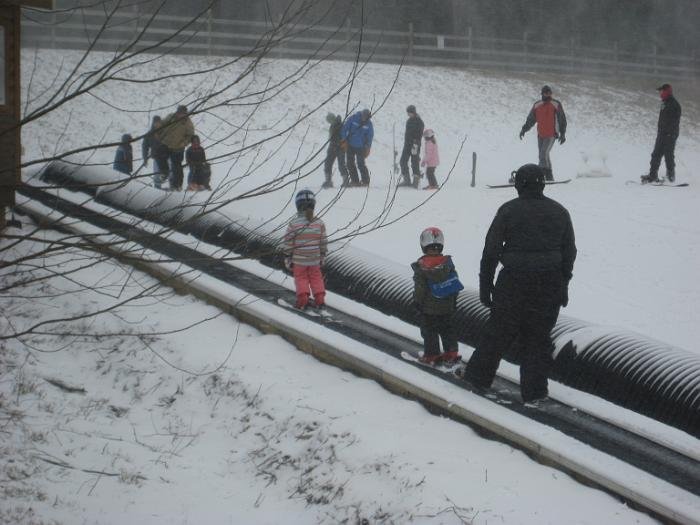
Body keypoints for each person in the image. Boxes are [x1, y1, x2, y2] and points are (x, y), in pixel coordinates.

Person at [462, 164, 576, 404]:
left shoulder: (508, 211)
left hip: (513, 283)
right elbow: (569, 253)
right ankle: (534, 393)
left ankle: (477, 379)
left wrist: (486, 286)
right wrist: (563, 284)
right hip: (549, 285)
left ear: (519, 185)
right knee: (537, 340)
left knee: (497, 335)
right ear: (542, 184)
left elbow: (491, 251)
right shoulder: (560, 212)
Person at [411, 227, 463, 365]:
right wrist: (453, 302)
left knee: (429, 332)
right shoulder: (448, 264)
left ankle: (432, 355)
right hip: (447, 307)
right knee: (447, 330)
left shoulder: (422, 267)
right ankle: (451, 353)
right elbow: (455, 283)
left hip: (429, 309)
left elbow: (420, 287)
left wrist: (417, 301)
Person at [284, 189, 328, 310]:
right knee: (316, 278)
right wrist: (322, 255)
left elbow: (288, 241)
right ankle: (320, 299)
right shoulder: (319, 223)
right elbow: (323, 241)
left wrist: (288, 256)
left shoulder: (294, 224)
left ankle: (303, 297)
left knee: (301, 278)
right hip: (314, 259)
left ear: (298, 206)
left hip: (299, 260)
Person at [519, 85, 567, 181]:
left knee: (543, 154)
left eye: (549, 93)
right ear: (542, 94)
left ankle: (541, 174)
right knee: (544, 154)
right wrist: (524, 129)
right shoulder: (537, 105)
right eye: (546, 93)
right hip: (541, 134)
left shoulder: (556, 104)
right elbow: (531, 119)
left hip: (552, 134)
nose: (548, 95)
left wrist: (562, 134)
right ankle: (549, 176)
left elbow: (562, 119)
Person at [641, 83, 681, 184]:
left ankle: (670, 177)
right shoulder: (664, 103)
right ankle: (652, 175)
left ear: (666, 91)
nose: (660, 93)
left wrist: (669, 133)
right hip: (662, 133)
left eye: (661, 91)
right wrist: (660, 131)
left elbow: (674, 121)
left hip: (670, 134)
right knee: (656, 154)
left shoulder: (674, 104)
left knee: (668, 155)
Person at [156, 104, 195, 191]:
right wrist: (158, 127)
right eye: (179, 113)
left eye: (183, 113)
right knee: (159, 155)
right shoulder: (171, 117)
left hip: (178, 148)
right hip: (166, 143)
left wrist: (183, 143)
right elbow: (162, 123)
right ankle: (164, 172)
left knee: (177, 167)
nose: (180, 115)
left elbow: (190, 136)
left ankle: (177, 185)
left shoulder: (188, 123)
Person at [341, 108, 373, 187]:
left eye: (367, 118)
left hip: (361, 147)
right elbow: (344, 129)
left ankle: (365, 181)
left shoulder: (369, 124)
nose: (365, 119)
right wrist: (343, 141)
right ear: (362, 114)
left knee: (361, 164)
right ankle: (355, 181)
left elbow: (370, 136)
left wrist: (368, 148)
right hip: (350, 145)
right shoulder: (353, 118)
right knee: (350, 163)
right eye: (364, 116)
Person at [399, 105, 425, 187]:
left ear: (413, 112)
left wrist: (415, 141)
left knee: (414, 162)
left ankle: (416, 181)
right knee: (402, 161)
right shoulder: (409, 121)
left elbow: (419, 134)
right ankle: (406, 180)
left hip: (415, 145)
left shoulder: (419, 122)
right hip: (407, 144)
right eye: (408, 113)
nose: (408, 114)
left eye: (409, 113)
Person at [141, 115, 169, 189]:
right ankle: (157, 188)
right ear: (153, 123)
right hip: (156, 157)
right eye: (155, 123)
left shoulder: (166, 132)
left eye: (159, 122)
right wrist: (145, 159)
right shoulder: (149, 134)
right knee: (157, 174)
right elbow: (145, 147)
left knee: (170, 173)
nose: (157, 124)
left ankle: (171, 189)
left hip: (167, 156)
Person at [322, 113, 349, 189]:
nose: (329, 122)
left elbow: (343, 136)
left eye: (329, 120)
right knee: (328, 163)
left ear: (332, 119)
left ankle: (345, 180)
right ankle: (328, 180)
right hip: (332, 146)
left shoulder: (340, 125)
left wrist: (339, 144)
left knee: (341, 164)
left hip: (340, 147)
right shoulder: (333, 125)